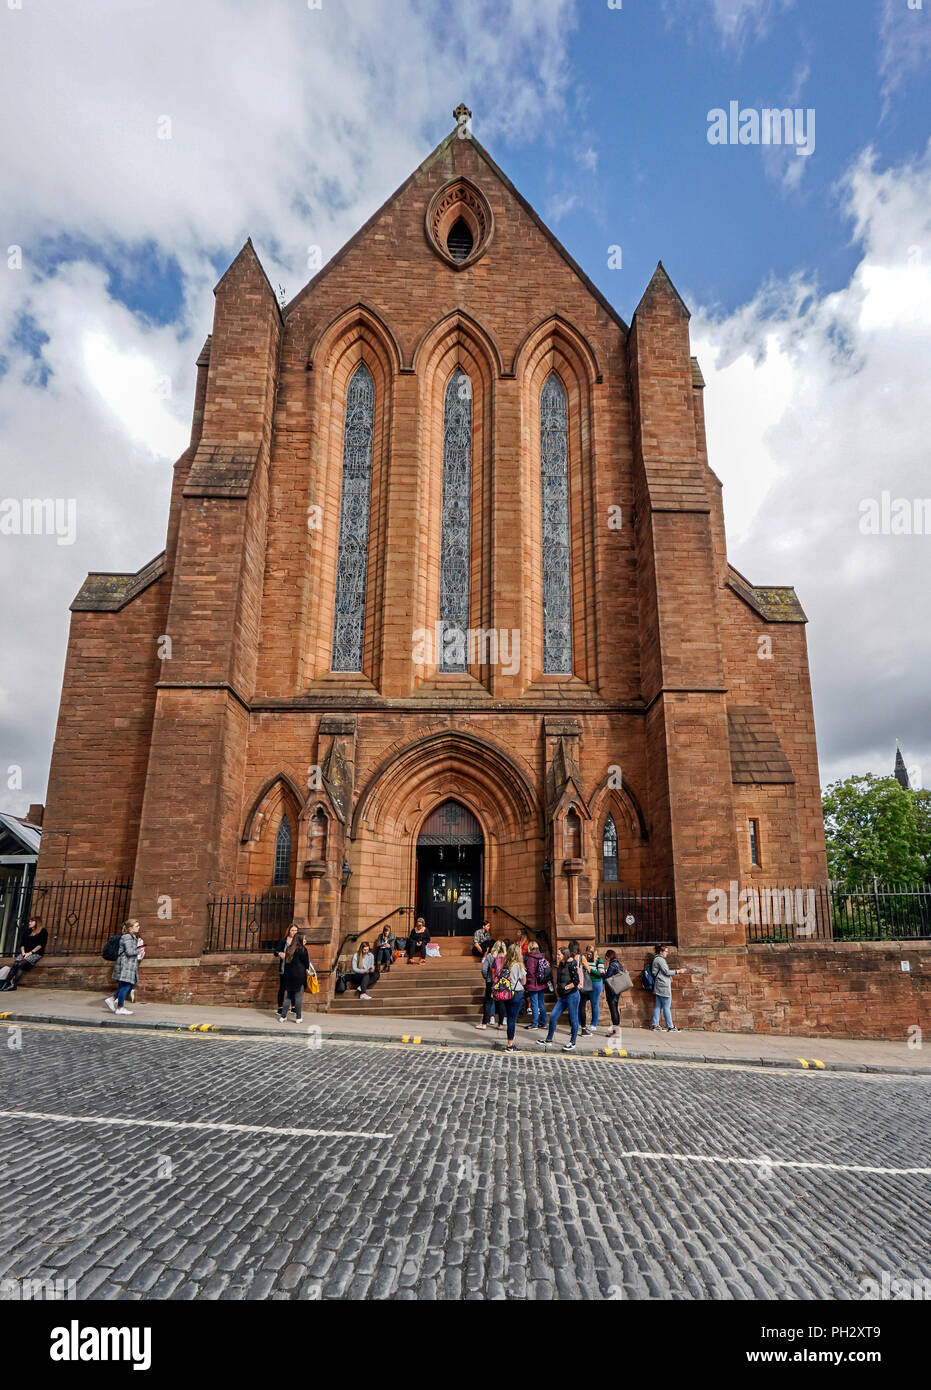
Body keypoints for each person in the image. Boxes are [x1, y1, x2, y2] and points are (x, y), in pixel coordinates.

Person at [538, 946, 581, 1051]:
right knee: (552, 1016)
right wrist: (558, 987)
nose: (557, 956)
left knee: (573, 1018)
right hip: (563, 997)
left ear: (564, 954)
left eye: (558, 954)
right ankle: (548, 1040)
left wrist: (566, 987)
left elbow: (576, 981)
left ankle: (573, 1042)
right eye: (557, 954)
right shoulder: (561, 964)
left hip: (572, 996)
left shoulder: (572, 964)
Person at [104, 920, 142, 1015]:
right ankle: (120, 1008)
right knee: (126, 986)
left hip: (129, 965)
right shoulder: (127, 937)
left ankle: (112, 999)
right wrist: (139, 950)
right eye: (136, 926)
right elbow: (129, 952)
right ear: (130, 928)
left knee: (131, 984)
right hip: (125, 965)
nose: (139, 927)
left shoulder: (131, 937)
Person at [0, 915, 48, 991]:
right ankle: (6, 984)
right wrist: (23, 953)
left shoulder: (43, 931)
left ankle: (14, 985)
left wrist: (30, 953)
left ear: (37, 922)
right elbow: (22, 944)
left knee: (21, 964)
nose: (29, 923)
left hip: (36, 953)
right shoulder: (27, 931)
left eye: (31, 921)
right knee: (15, 964)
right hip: (24, 952)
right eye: (29, 921)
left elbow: (41, 945)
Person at [496, 942, 526, 1052]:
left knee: (509, 1018)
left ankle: (510, 1041)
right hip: (516, 993)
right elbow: (524, 981)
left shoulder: (505, 964)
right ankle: (510, 1045)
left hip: (506, 993)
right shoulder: (518, 965)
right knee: (512, 1019)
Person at [475, 939, 506, 1029]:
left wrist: (487, 978)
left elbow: (484, 970)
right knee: (501, 1002)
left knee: (488, 1002)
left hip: (491, 981)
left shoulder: (490, 956)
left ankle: (484, 1024)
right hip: (502, 982)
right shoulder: (506, 957)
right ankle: (500, 1024)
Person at [279, 932, 310, 1022]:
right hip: (299, 976)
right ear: (300, 939)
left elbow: (287, 962)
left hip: (289, 975)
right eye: (304, 939)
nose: (305, 941)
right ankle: (298, 1017)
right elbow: (306, 964)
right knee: (298, 997)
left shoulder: (289, 949)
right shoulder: (303, 949)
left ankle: (283, 1016)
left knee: (288, 996)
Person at [651, 943, 681, 1032]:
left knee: (658, 1006)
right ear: (661, 951)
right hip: (663, 986)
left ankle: (655, 1025)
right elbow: (666, 972)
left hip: (659, 985)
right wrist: (678, 971)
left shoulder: (656, 959)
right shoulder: (660, 960)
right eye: (666, 951)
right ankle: (670, 1026)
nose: (667, 953)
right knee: (667, 1006)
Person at [523, 940, 549, 1032]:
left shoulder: (530, 958)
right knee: (541, 1003)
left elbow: (530, 972)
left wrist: (526, 984)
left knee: (534, 1003)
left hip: (533, 984)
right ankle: (543, 1023)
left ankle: (534, 1024)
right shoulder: (541, 956)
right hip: (541, 983)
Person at [274, 922, 299, 1013]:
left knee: (293, 988)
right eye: (292, 930)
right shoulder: (283, 941)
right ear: (289, 931)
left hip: (295, 968)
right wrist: (280, 953)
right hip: (284, 968)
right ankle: (280, 1007)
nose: (294, 932)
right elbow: (275, 952)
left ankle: (293, 1007)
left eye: (296, 930)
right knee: (282, 988)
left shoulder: (298, 942)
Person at [581, 945, 606, 1033]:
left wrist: (590, 970)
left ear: (593, 953)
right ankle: (582, 1023)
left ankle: (594, 1024)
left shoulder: (599, 960)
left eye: (590, 954)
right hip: (587, 983)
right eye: (587, 954)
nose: (588, 956)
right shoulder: (585, 960)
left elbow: (601, 974)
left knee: (594, 1004)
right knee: (582, 1003)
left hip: (596, 984)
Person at [603, 949, 626, 1041]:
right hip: (617, 989)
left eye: (606, 957)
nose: (606, 959)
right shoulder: (619, 964)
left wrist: (602, 974)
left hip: (611, 991)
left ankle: (615, 1031)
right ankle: (617, 1029)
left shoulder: (612, 965)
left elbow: (608, 977)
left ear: (609, 956)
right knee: (615, 1008)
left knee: (613, 1010)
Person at [574, 941, 593, 1034]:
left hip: (573, 985)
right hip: (581, 986)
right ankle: (584, 1029)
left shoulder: (569, 958)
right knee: (582, 1007)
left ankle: (573, 1029)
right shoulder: (581, 957)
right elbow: (589, 970)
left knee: (573, 1007)